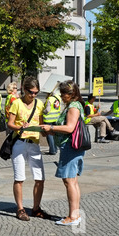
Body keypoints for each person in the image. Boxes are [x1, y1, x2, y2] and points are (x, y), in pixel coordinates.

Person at [41, 80, 85, 226]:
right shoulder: (76, 104)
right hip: (74, 147)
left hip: (70, 147)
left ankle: (73, 216)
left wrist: (51, 128)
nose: (61, 96)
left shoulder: (73, 106)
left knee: (69, 181)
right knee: (73, 180)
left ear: (70, 94)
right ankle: (76, 213)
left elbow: (70, 128)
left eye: (63, 94)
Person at [7, 76, 48, 221]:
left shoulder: (39, 104)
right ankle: (20, 209)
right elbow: (10, 124)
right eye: (31, 92)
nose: (33, 95)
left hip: (34, 143)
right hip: (19, 143)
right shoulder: (17, 103)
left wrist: (46, 128)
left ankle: (36, 208)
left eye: (36, 92)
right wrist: (19, 126)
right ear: (24, 90)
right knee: (19, 178)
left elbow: (42, 126)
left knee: (40, 178)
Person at [43, 91, 62, 155]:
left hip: (48, 119)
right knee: (54, 134)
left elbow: (47, 110)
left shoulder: (50, 99)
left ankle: (52, 150)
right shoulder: (58, 98)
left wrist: (42, 111)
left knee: (49, 135)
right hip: (56, 118)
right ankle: (56, 149)